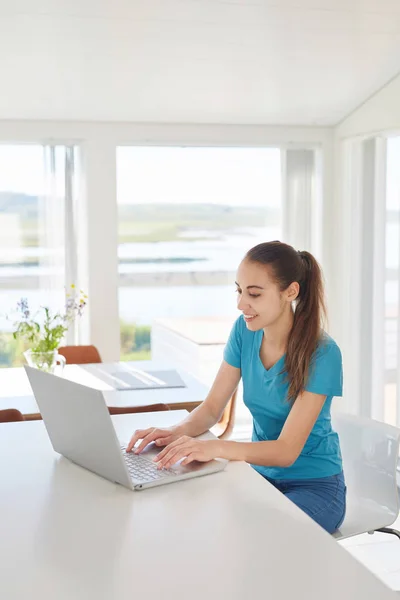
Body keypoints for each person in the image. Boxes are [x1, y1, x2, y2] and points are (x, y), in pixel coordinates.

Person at [127, 241, 346, 534]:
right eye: (239, 291)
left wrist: (214, 446)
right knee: (201, 520)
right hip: (258, 477)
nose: (242, 304)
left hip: (314, 486)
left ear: (290, 292)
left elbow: (286, 452)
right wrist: (173, 432)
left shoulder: (323, 353)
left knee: (261, 536)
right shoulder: (244, 331)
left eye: (254, 294)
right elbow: (211, 410)